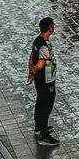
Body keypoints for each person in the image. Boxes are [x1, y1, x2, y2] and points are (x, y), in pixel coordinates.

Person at [27, 17, 59, 146]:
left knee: (40, 102)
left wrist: (31, 72)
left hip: (40, 80)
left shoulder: (37, 40)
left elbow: (31, 56)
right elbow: (40, 64)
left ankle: (39, 127)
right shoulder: (44, 45)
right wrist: (34, 71)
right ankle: (44, 135)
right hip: (46, 80)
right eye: (53, 25)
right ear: (50, 27)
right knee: (47, 105)